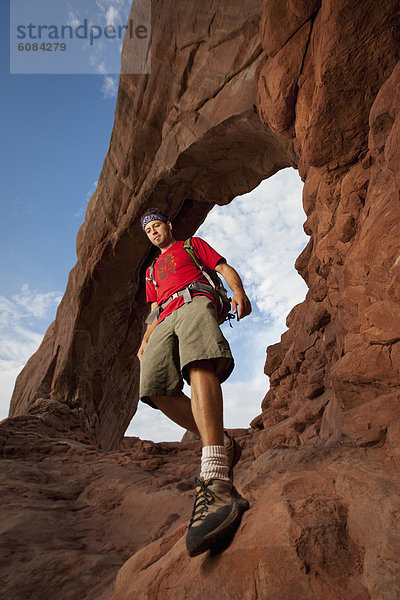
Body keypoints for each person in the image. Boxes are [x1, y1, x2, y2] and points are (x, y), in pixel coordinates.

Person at [137, 207, 252, 557]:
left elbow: (222, 267)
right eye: (149, 231)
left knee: (198, 363)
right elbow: (154, 309)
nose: (154, 232)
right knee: (154, 389)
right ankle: (224, 442)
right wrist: (144, 341)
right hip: (164, 318)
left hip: (193, 300)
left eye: (157, 226)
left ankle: (216, 476)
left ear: (168, 226)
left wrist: (238, 290)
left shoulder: (191, 245)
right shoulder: (151, 271)